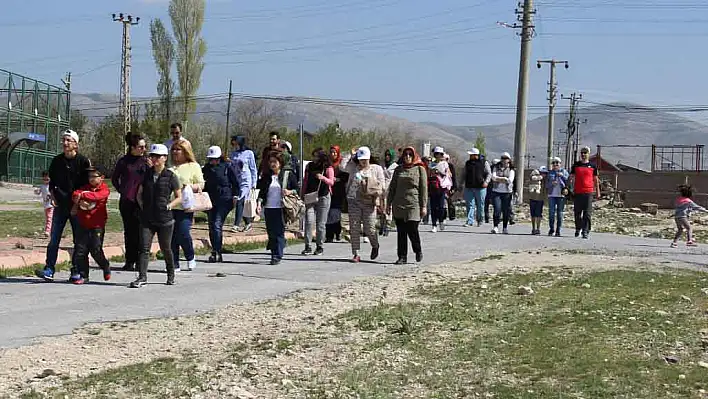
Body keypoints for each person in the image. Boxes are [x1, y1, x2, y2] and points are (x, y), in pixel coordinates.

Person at [36, 129, 91, 282]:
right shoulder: (57, 161)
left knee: (78, 240)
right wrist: (53, 197)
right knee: (54, 239)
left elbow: (87, 185)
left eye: (68, 140)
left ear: (76, 144)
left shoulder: (83, 162)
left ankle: (76, 270)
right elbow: (52, 183)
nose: (65, 143)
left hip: (77, 207)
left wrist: (77, 204)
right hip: (60, 206)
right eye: (63, 140)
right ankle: (49, 269)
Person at [131, 144, 182, 288]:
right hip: (147, 219)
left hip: (165, 219)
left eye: (158, 157)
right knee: (144, 248)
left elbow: (179, 197)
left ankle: (171, 274)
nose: (154, 159)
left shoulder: (171, 176)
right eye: (152, 156)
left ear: (165, 158)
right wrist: (143, 206)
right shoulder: (146, 174)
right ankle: (142, 277)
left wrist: (170, 205)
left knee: (166, 248)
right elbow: (139, 193)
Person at [340, 146, 385, 263]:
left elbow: (383, 186)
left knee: (369, 228)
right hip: (354, 201)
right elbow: (342, 166)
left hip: (369, 202)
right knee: (354, 227)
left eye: (365, 159)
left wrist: (373, 190)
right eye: (360, 159)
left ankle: (375, 245)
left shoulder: (377, 169)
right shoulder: (353, 168)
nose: (363, 162)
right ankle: (356, 253)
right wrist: (350, 154)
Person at [112, 133, 149, 271]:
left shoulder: (146, 161)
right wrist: (122, 190)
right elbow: (115, 178)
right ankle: (129, 260)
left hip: (141, 202)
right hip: (127, 201)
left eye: (145, 147)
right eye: (141, 147)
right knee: (129, 231)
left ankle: (141, 261)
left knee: (141, 231)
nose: (143, 150)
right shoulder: (123, 161)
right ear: (133, 147)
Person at [256, 151, 299, 265]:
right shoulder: (266, 176)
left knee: (279, 231)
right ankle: (274, 252)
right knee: (271, 232)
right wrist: (259, 204)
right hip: (269, 207)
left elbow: (297, 189)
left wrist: (289, 191)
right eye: (270, 162)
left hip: (281, 207)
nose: (272, 164)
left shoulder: (287, 175)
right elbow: (262, 192)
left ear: (280, 163)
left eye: (275, 162)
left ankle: (277, 255)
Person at [387, 147, 428, 265]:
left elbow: (424, 189)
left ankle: (417, 249)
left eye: (410, 155)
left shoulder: (420, 169)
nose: (408, 157)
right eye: (405, 155)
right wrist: (388, 203)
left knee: (412, 229)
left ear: (414, 156)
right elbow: (392, 188)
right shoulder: (398, 169)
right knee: (401, 231)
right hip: (399, 203)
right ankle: (402, 256)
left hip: (413, 203)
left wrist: (424, 206)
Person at [70, 167, 111, 284]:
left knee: (96, 250)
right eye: (90, 177)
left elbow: (97, 196)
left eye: (94, 176)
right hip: (83, 223)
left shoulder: (104, 189)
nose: (91, 179)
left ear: (101, 178)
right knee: (80, 251)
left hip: (97, 225)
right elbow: (75, 194)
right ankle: (84, 275)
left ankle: (105, 266)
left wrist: (83, 195)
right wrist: (81, 195)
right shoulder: (85, 188)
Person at [169, 139, 205, 271]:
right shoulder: (170, 168)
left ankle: (190, 256)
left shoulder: (193, 166)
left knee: (183, 233)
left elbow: (201, 184)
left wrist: (189, 186)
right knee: (172, 235)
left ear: (185, 152)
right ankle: (174, 263)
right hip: (172, 205)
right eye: (173, 150)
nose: (175, 152)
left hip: (186, 206)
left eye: (178, 150)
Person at [203, 146, 240, 263]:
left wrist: (235, 196)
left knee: (217, 224)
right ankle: (215, 250)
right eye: (211, 159)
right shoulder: (206, 169)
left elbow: (235, 183)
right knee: (211, 226)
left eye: (215, 159)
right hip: (210, 199)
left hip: (224, 199)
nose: (212, 161)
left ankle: (217, 251)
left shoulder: (227, 167)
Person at [301, 148, 335, 255]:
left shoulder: (328, 167)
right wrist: (302, 193)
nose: (314, 158)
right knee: (309, 221)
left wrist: (323, 178)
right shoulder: (309, 166)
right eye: (313, 156)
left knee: (320, 223)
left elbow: (331, 182)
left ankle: (320, 246)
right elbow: (305, 180)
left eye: (316, 156)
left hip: (323, 196)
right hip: (310, 195)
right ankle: (308, 246)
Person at [569, 146, 600, 239]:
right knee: (577, 213)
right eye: (582, 153)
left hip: (588, 192)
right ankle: (578, 228)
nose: (583, 154)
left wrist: (598, 191)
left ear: (588, 154)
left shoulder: (592, 166)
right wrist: (569, 188)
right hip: (578, 192)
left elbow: (595, 179)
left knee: (587, 213)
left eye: (585, 153)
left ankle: (585, 231)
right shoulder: (576, 165)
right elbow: (571, 177)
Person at [229, 135, 257, 232]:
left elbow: (253, 169)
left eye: (235, 143)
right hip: (237, 181)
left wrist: (254, 183)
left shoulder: (249, 153)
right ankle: (248, 222)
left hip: (246, 181)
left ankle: (236, 225)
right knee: (241, 202)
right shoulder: (233, 154)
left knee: (239, 200)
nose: (234, 146)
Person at [325, 145, 348, 243]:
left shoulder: (341, 164)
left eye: (335, 152)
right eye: (331, 152)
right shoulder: (326, 163)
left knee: (335, 213)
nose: (333, 154)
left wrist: (337, 179)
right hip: (328, 190)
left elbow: (346, 176)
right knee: (328, 213)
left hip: (338, 191)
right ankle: (329, 235)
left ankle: (337, 232)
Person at [463, 148, 491, 227]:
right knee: (470, 204)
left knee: (480, 204)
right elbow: (464, 174)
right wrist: (461, 183)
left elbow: (489, 173)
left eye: (471, 155)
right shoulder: (467, 163)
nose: (470, 156)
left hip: (481, 187)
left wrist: (486, 182)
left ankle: (480, 220)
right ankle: (469, 220)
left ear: (476, 155)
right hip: (469, 187)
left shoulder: (484, 163)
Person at [427, 147, 452, 233]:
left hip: (442, 188)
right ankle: (434, 225)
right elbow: (428, 175)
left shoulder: (445, 164)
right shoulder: (431, 164)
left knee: (441, 207)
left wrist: (439, 173)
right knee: (433, 207)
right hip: (433, 187)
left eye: (441, 154)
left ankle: (441, 220)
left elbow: (448, 174)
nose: (439, 155)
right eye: (437, 154)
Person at [490, 152, 515, 234]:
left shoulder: (511, 169)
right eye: (502, 158)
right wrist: (504, 179)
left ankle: (505, 227)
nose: (504, 160)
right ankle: (495, 226)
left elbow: (510, 180)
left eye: (506, 158)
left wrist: (500, 178)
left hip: (507, 192)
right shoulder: (496, 167)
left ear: (509, 160)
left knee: (506, 210)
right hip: (496, 191)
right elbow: (493, 177)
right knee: (497, 209)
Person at [547, 157, 569, 236]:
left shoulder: (564, 172)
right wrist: (552, 184)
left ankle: (558, 230)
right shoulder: (550, 173)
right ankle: (551, 229)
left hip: (561, 195)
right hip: (551, 195)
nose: (555, 164)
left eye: (557, 163)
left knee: (560, 213)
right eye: (554, 163)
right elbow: (547, 185)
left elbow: (568, 181)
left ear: (560, 164)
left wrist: (562, 176)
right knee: (551, 213)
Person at [379, 149, 398, 236]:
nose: (387, 157)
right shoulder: (381, 165)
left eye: (389, 155)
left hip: (389, 190)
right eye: (386, 155)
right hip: (380, 189)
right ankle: (381, 225)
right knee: (381, 209)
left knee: (388, 208)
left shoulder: (395, 167)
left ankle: (387, 226)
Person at [527, 166, 548, 235]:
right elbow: (530, 179)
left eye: (545, 173)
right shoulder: (534, 177)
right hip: (532, 197)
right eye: (542, 173)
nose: (544, 174)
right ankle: (533, 228)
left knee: (539, 214)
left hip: (540, 198)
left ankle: (538, 228)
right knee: (533, 214)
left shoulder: (545, 181)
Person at [35, 171, 53, 238]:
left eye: (47, 179)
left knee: (49, 218)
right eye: (44, 179)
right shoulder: (42, 186)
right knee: (48, 218)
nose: (45, 181)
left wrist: (50, 196)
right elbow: (38, 192)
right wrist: (36, 191)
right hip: (45, 205)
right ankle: (51, 230)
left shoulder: (51, 186)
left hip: (51, 205)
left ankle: (47, 231)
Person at [484, 157, 499, 224]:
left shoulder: (488, 168)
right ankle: (496, 217)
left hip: (488, 188)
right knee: (496, 204)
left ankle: (486, 218)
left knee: (486, 204)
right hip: (495, 188)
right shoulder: (498, 169)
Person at [444, 154, 458, 221]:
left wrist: (454, 188)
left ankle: (452, 216)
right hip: (442, 186)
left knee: (450, 201)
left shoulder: (451, 166)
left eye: (446, 159)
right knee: (443, 202)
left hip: (450, 186)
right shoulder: (439, 166)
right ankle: (442, 216)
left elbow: (454, 177)